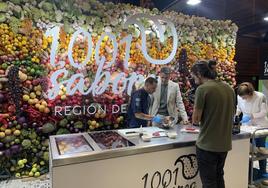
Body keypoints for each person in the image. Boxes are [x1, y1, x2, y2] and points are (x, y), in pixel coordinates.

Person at [191, 60, 236, 188]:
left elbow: (196, 119)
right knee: (219, 177)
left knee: (209, 183)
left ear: (199, 74)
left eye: (193, 75)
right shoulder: (229, 88)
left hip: (207, 145)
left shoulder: (202, 89)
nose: (193, 79)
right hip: (224, 144)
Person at [236, 82, 268, 177]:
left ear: (251, 93)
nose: (243, 99)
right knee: (248, 149)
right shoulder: (239, 96)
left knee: (260, 149)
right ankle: (248, 171)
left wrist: (252, 116)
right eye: (241, 97)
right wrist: (236, 115)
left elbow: (264, 111)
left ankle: (263, 172)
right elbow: (239, 107)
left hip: (260, 124)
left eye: (245, 97)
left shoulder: (260, 96)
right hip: (247, 124)